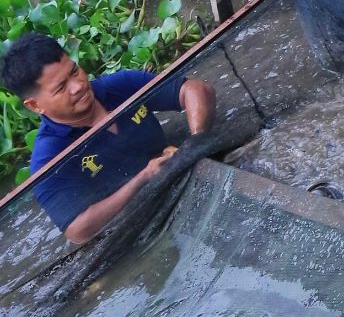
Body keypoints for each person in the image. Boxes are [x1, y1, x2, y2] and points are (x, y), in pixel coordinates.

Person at [1, 33, 215, 244]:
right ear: (35, 105)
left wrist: (194, 143)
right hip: (139, 228)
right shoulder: (48, 159)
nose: (78, 86)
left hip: (183, 176)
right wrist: (145, 177)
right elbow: (78, 230)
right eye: (60, 88)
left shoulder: (119, 86)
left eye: (74, 71)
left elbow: (196, 90)